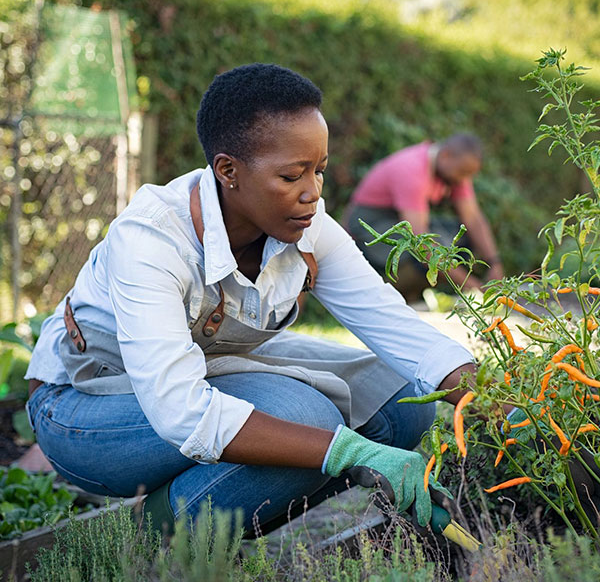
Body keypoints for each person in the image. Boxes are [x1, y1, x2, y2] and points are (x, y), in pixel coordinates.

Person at [24, 64, 477, 537]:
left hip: (212, 370)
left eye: (319, 170)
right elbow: (179, 408)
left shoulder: (306, 224)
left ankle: (204, 502)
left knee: (405, 400)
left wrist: (506, 406)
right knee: (304, 420)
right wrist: (348, 452)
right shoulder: (153, 240)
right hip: (85, 407)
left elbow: (397, 329)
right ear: (228, 170)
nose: (313, 193)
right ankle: (150, 534)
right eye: (291, 175)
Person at [346, 135, 503, 301]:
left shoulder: (452, 172)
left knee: (462, 240)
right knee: (421, 254)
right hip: (369, 226)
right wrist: (473, 287)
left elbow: (473, 219)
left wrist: (495, 263)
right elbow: (421, 245)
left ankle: (412, 292)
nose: (464, 179)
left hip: (398, 221)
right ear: (446, 155)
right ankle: (380, 294)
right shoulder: (413, 171)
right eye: (463, 172)